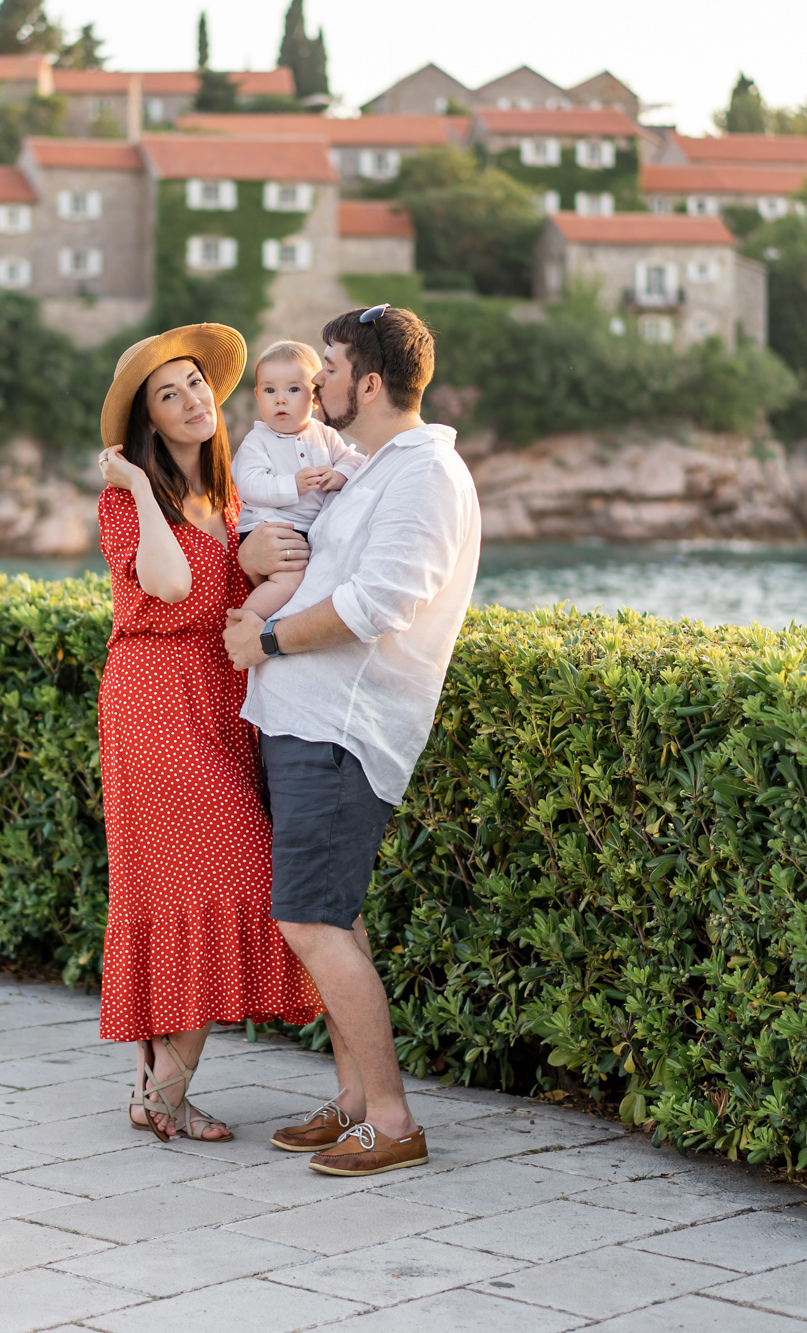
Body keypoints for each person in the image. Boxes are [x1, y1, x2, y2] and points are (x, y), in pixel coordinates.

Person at [225, 304, 481, 1177]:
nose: (316, 381)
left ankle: (394, 1119)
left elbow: (380, 603)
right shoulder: (372, 469)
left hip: (339, 729)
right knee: (335, 915)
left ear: (368, 383)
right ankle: (355, 1101)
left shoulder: (426, 475)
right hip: (304, 720)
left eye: (329, 368)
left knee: (309, 918)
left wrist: (265, 639)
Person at [93, 323, 324, 1143]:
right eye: (169, 394)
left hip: (221, 701)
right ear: (149, 421)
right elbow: (169, 581)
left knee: (185, 890)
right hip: (154, 700)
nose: (193, 399)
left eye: (196, 382)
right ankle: (165, 1092)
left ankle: (158, 1089)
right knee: (239, 871)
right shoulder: (126, 501)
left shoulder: (232, 500)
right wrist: (133, 481)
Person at [230, 339, 367, 622]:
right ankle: (244, 620)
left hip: (310, 530)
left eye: (293, 389)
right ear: (258, 395)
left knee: (320, 581)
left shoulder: (324, 434)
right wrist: (292, 485)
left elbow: (355, 459)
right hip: (271, 526)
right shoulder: (258, 441)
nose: (280, 399)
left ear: (315, 398)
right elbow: (249, 484)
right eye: (269, 390)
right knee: (288, 582)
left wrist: (337, 475)